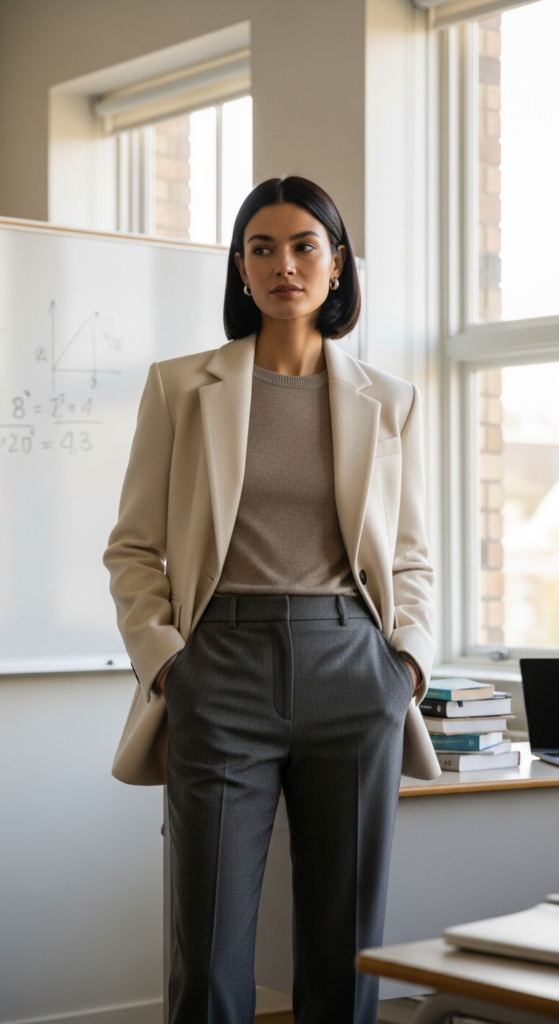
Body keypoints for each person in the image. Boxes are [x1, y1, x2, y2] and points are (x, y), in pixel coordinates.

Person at [104, 176, 439, 1024]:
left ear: (336, 266)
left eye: (302, 246)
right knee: (209, 945)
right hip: (218, 669)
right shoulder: (180, 388)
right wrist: (169, 667)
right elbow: (134, 548)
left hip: (353, 669)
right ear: (241, 269)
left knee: (344, 945)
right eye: (262, 248)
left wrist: (405, 668)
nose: (283, 265)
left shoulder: (389, 401)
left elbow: (409, 558)